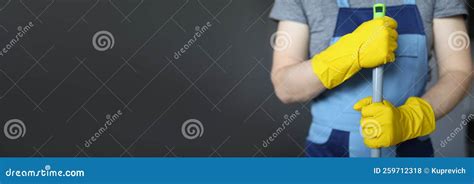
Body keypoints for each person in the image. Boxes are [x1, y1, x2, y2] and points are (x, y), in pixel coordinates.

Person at [269, 0, 472, 157]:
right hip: (329, 157)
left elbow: (459, 71)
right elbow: (285, 87)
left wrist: (410, 119)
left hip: (410, 155)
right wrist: (347, 55)